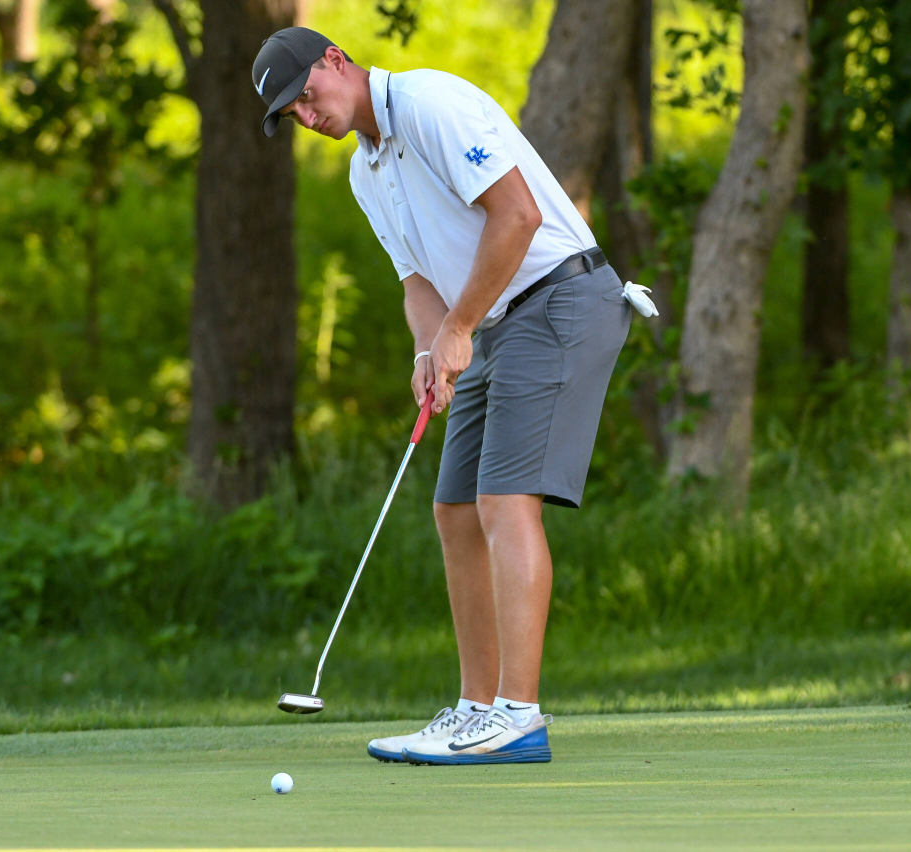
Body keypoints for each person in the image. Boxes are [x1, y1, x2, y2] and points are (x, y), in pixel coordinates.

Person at [252, 27, 652, 765]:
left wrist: (459, 328)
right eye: (293, 115)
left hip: (560, 299)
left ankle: (518, 716)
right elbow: (417, 282)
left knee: (503, 502)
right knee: (455, 510)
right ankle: (476, 709)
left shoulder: (433, 102)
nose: (309, 116)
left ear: (335, 61)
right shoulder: (366, 173)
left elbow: (518, 216)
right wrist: (429, 347)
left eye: (306, 95)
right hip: (493, 318)